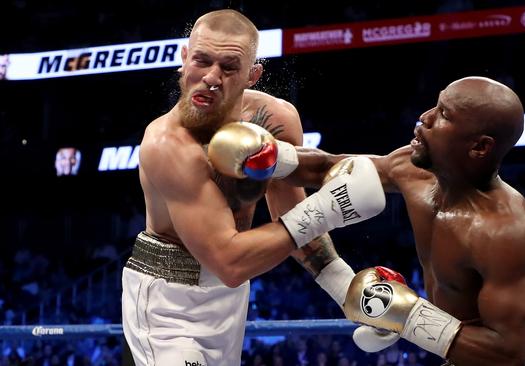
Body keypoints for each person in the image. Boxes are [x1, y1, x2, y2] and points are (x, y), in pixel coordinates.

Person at [121, 9, 385, 366]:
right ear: (184, 59)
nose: (211, 77)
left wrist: (347, 289)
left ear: (252, 74)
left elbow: (292, 216)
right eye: (202, 60)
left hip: (231, 298)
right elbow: (229, 260)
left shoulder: (275, 120)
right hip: (167, 300)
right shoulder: (167, 143)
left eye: (229, 67)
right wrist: (331, 207)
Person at [282, 76, 525, 365]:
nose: (425, 117)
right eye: (435, 104)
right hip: (458, 350)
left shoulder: (507, 232)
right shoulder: (411, 168)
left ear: (479, 147)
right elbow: (327, 168)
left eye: (443, 113)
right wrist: (268, 156)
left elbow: (507, 356)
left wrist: (405, 315)